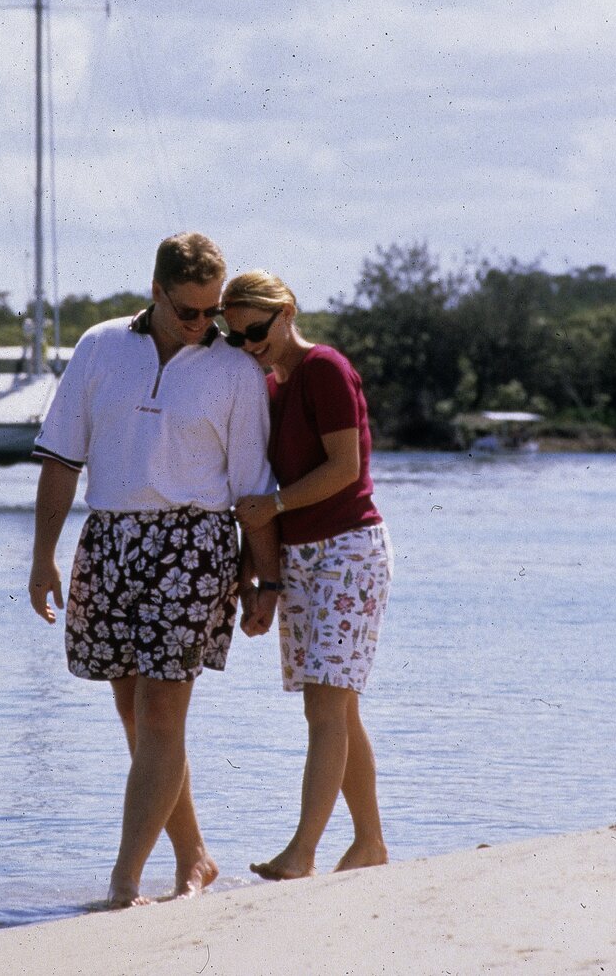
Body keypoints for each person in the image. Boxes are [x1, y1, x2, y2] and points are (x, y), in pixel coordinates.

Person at [28, 233, 280, 908]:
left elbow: (252, 484)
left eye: (213, 313)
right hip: (108, 538)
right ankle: (195, 856)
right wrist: (41, 558)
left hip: (195, 544)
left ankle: (123, 882)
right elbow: (59, 461)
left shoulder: (234, 371)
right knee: (135, 716)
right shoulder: (100, 346)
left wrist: (266, 580)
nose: (204, 326)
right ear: (156, 291)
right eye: (189, 312)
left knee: (163, 712)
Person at [223, 269, 393, 880]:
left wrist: (272, 508)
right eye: (236, 336)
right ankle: (370, 843)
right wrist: (261, 580)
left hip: (349, 550)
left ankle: (303, 852)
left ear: (287, 312)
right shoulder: (268, 386)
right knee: (336, 710)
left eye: (258, 331)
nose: (249, 345)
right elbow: (259, 494)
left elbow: (345, 468)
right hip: (298, 557)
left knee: (326, 706)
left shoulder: (325, 368)